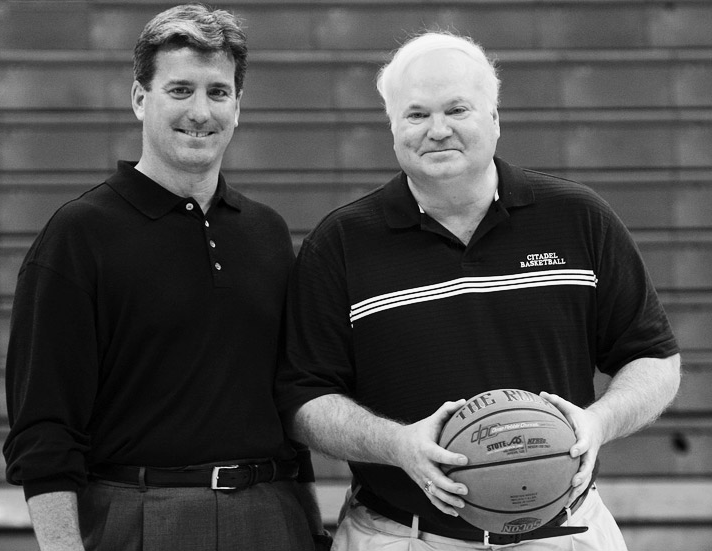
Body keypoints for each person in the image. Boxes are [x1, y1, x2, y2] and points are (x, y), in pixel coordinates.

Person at [276, 31, 681, 550]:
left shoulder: (578, 218)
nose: (437, 130)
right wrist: (398, 443)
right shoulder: (340, 244)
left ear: (494, 118)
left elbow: (654, 358)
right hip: (402, 536)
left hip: (564, 534)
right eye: (416, 114)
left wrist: (598, 422)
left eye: (456, 109)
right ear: (393, 127)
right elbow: (303, 398)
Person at [3, 5, 328, 551]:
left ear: (238, 106)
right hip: (140, 519)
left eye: (218, 92)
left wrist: (313, 530)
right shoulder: (79, 234)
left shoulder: (267, 232)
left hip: (273, 517)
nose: (200, 111)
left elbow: (284, 402)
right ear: (139, 98)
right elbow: (43, 428)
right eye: (180, 90)